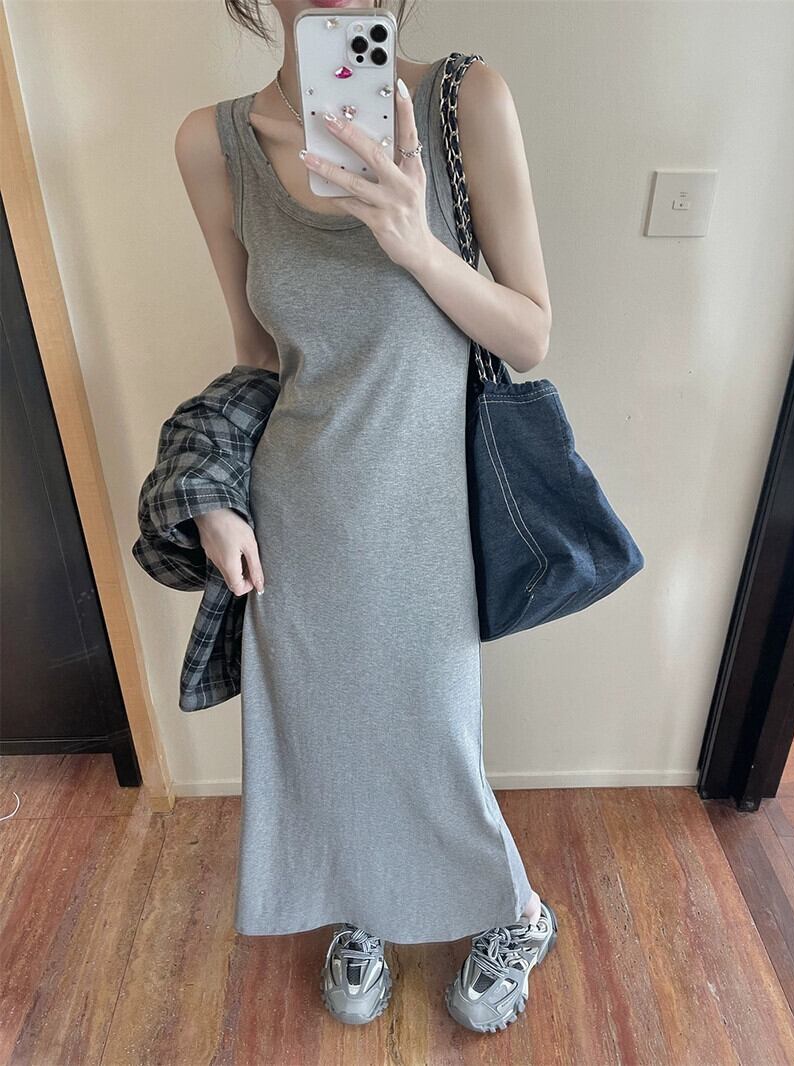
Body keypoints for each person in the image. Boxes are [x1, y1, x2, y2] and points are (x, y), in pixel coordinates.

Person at [174, 0, 557, 1034]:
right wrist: (216, 498)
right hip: (298, 516)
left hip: (429, 515)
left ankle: (516, 910)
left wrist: (414, 243)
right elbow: (257, 356)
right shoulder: (213, 145)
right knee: (324, 741)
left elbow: (529, 335)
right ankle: (363, 908)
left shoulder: (463, 101)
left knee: (435, 739)